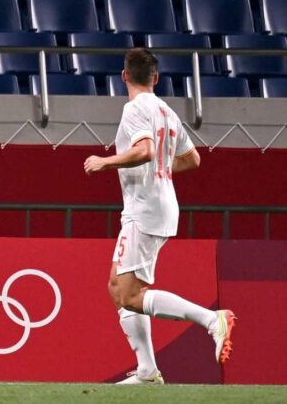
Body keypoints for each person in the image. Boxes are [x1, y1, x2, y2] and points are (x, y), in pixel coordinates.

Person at [83, 48, 236, 385]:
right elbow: (192, 159)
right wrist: (161, 172)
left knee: (132, 295)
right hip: (159, 203)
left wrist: (104, 161)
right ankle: (148, 371)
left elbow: (145, 150)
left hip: (145, 209)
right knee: (116, 286)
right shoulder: (166, 111)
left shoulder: (135, 109)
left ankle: (212, 320)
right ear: (156, 77)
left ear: (124, 76)